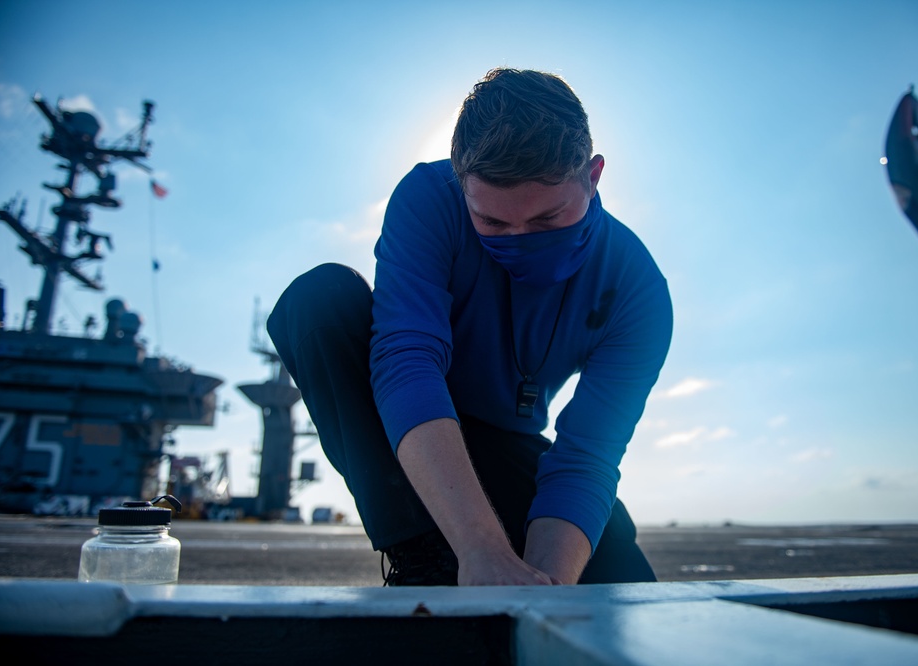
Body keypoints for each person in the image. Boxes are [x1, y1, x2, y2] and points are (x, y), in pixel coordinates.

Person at [267, 68, 673, 586]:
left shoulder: (639, 290)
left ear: (592, 177)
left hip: (507, 442)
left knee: (626, 585)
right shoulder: (427, 197)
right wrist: (479, 549)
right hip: (409, 423)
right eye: (494, 223)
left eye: (548, 219)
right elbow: (406, 359)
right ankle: (423, 556)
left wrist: (547, 592)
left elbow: (587, 454)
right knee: (319, 301)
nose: (520, 237)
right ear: (461, 184)